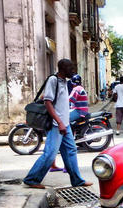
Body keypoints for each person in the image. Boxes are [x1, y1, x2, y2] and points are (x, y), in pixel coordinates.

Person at [23, 59, 93, 189]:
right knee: (50, 153)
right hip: (56, 124)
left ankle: (77, 180)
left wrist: (64, 122)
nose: (73, 71)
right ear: (63, 69)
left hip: (64, 123)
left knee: (71, 151)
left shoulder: (64, 82)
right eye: (70, 68)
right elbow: (48, 102)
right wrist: (60, 122)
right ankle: (31, 179)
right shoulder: (53, 80)